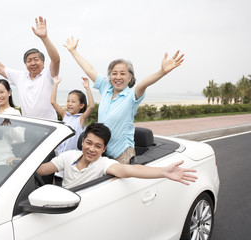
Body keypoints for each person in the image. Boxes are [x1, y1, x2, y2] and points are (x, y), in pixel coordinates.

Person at [64, 37, 184, 164]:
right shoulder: (106, 87)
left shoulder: (132, 96)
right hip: (100, 151)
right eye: (114, 73)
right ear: (110, 76)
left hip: (121, 153)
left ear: (130, 77)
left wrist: (162, 72)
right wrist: (73, 51)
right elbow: (90, 69)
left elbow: (143, 84)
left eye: (123, 73)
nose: (118, 77)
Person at [37, 123, 197, 189]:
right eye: (89, 143)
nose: (92, 149)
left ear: (104, 148)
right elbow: (42, 170)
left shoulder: (104, 164)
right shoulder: (69, 156)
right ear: (83, 141)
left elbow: (129, 170)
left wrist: (162, 172)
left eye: (98, 146)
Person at [0, 16, 60, 120]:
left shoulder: (48, 75)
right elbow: (0, 68)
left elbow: (56, 60)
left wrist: (44, 38)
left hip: (50, 125)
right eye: (29, 61)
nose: (32, 63)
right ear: (25, 64)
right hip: (30, 127)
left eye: (36, 59)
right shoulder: (21, 77)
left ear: (43, 63)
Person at [51, 76, 95, 154]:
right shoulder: (65, 115)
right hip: (59, 154)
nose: (69, 104)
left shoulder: (81, 118)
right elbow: (53, 102)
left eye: (73, 102)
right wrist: (55, 84)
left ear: (81, 105)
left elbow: (91, 106)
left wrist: (87, 88)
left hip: (73, 156)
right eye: (68, 101)